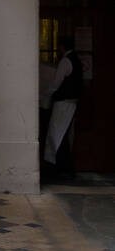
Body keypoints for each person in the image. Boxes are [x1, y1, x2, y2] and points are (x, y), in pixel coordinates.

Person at [42, 36, 82, 178]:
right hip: (72, 102)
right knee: (62, 134)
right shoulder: (76, 60)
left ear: (62, 46)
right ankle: (63, 166)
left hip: (63, 102)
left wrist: (45, 93)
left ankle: (57, 166)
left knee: (55, 134)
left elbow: (56, 83)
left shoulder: (65, 61)